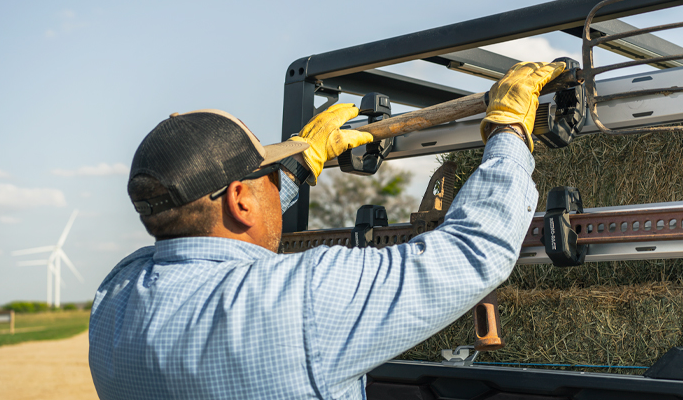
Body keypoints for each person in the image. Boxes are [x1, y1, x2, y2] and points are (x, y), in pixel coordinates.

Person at [88, 61, 566, 399]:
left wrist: (296, 168)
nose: (276, 182)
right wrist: (509, 131)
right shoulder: (303, 298)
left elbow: (203, 233)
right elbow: (472, 250)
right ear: (239, 201)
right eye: (269, 175)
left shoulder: (115, 300)